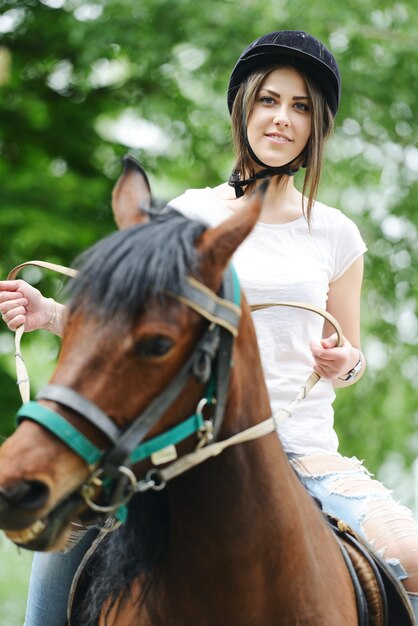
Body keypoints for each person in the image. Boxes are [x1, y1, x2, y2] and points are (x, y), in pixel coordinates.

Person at [1, 29, 418, 624]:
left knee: (412, 555)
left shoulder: (336, 233)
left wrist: (342, 361)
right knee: (62, 544)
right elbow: (142, 335)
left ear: (316, 127)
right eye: (269, 100)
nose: (282, 119)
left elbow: (351, 356)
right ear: (244, 108)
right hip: (188, 448)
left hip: (302, 450)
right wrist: (51, 315)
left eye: (300, 107)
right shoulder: (187, 215)